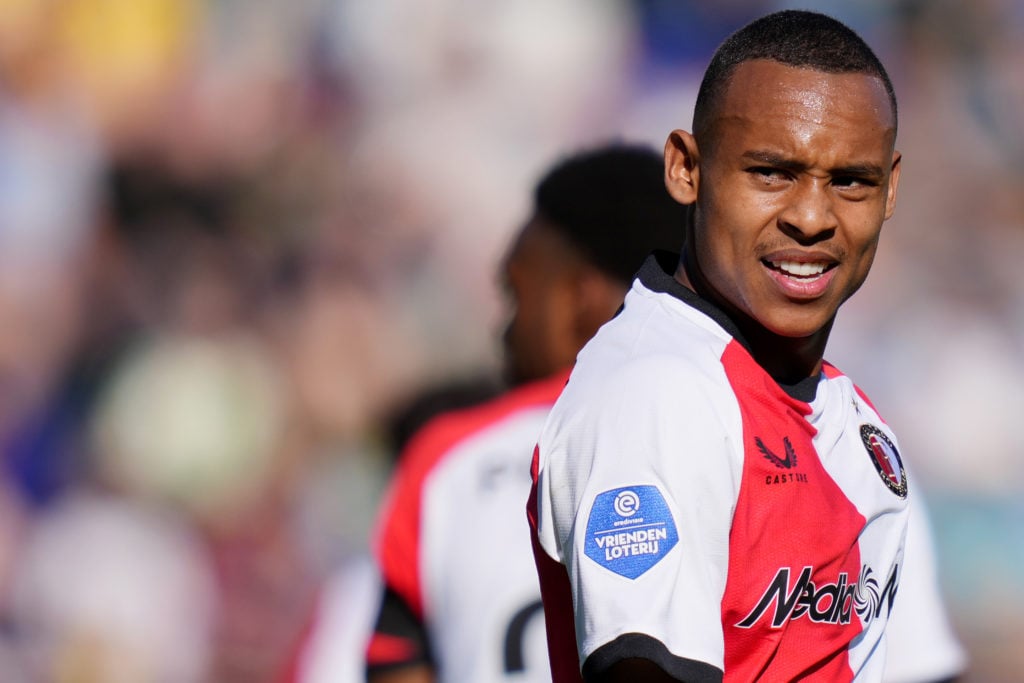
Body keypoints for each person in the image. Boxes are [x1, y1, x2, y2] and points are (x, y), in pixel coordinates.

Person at [529, 10, 957, 681]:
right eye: (771, 173)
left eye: (850, 180)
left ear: (891, 187)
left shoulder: (861, 429)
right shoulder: (659, 393)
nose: (812, 217)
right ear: (686, 168)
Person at [364, 144, 688, 683]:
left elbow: (397, 669)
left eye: (515, 295)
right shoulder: (737, 431)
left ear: (579, 298)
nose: (503, 332)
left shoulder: (448, 459)